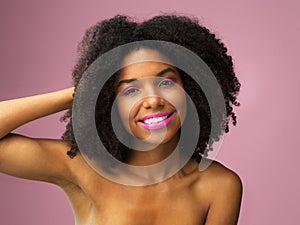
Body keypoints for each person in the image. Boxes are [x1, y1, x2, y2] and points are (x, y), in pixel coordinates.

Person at [0, 14, 242, 225]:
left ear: (191, 89)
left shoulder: (219, 186)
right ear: (109, 103)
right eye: (130, 90)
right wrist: (80, 93)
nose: (152, 100)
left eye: (166, 82)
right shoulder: (84, 168)